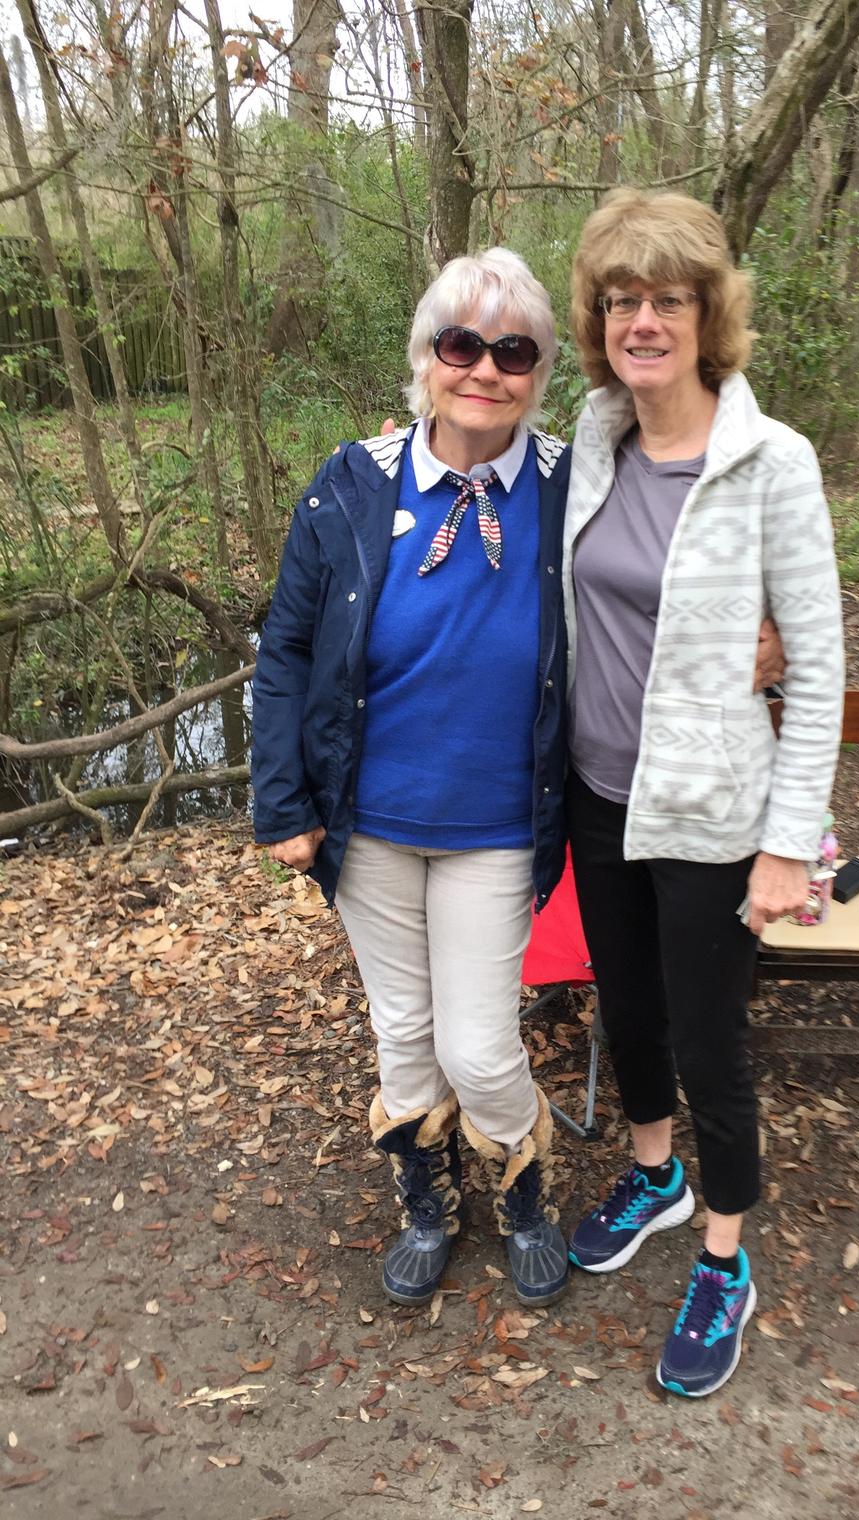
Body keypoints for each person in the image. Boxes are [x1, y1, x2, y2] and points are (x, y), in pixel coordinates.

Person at [562, 189, 845, 1398]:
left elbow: (818, 669)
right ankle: (657, 1176)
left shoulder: (773, 463)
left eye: (667, 298)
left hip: (713, 812)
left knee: (710, 1038)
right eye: (621, 299)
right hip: (598, 792)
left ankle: (725, 1254)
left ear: (707, 313)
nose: (643, 320)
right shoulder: (590, 440)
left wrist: (787, 844)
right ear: (599, 320)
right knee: (627, 1009)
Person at [251, 249, 573, 1309]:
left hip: (499, 824)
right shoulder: (351, 482)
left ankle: (522, 1186)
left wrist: (756, 631)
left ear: (539, 371)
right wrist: (283, 801)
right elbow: (287, 649)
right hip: (370, 820)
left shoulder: (576, 486)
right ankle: (427, 1198)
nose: (484, 369)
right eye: (461, 344)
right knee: (403, 1031)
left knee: (478, 1045)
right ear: (427, 356)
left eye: (513, 351)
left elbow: (654, 576)